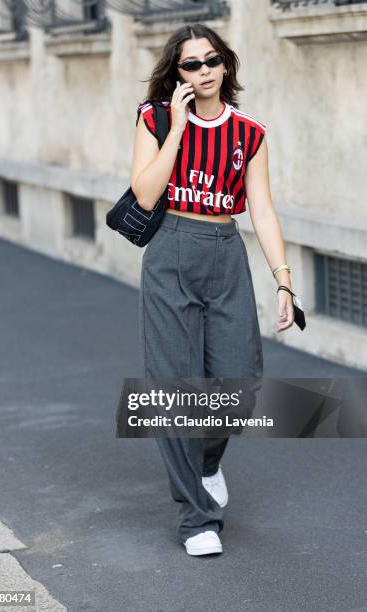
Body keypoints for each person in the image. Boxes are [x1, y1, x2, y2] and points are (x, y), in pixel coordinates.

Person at [130, 23, 294, 556]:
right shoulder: (153, 118)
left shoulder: (250, 132)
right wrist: (176, 128)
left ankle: (206, 462)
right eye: (190, 65)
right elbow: (147, 192)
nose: (202, 72)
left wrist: (284, 280)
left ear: (226, 65)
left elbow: (263, 209)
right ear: (175, 73)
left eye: (211, 61)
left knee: (240, 380)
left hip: (226, 253)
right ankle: (196, 518)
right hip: (171, 248)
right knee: (175, 387)